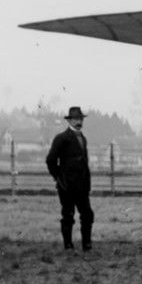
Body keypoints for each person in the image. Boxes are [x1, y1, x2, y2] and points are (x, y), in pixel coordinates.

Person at [45, 106, 94, 252]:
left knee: (87, 214)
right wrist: (59, 178)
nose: (78, 121)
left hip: (82, 187)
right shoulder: (61, 138)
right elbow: (50, 160)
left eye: (80, 119)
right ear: (69, 121)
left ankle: (87, 244)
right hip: (66, 186)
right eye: (75, 119)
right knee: (68, 215)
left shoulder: (83, 138)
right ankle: (68, 245)